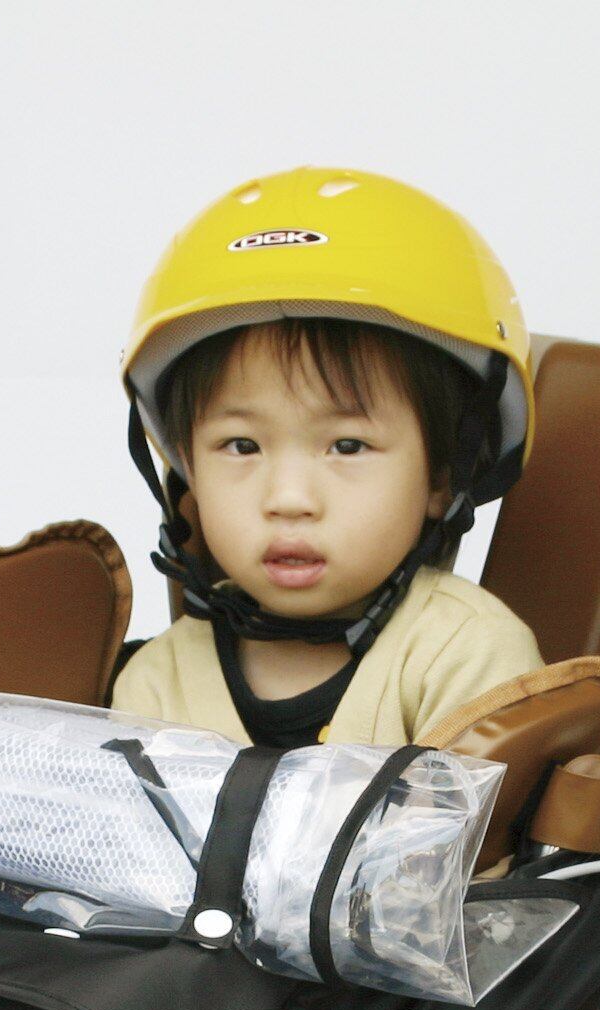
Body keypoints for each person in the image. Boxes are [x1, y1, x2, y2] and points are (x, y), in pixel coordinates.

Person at [112, 166, 544, 749]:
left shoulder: (467, 657)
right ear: (189, 470)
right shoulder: (156, 683)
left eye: (347, 446)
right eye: (242, 446)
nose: (289, 499)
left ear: (443, 477)